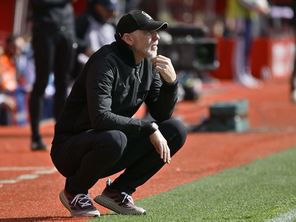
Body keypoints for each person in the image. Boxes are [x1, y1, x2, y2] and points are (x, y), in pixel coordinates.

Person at [50, 10, 187, 217]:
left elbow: (161, 114)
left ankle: (118, 191)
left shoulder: (148, 63)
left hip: (110, 142)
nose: (157, 37)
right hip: (71, 149)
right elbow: (100, 117)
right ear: (128, 38)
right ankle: (74, 191)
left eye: (156, 32)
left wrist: (171, 84)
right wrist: (147, 127)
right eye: (149, 32)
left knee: (175, 130)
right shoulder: (104, 62)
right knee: (116, 138)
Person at [29, 0, 76, 150]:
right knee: (41, 81)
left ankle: (62, 134)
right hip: (45, 28)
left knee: (63, 83)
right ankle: (36, 136)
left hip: (67, 28)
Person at [226, 0, 270, 88]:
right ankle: (240, 75)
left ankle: (246, 73)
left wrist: (263, 5)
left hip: (249, 15)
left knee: (247, 47)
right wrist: (256, 6)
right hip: (239, 16)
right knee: (241, 47)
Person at [72, 0, 118, 79]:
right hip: (85, 67)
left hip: (109, 68)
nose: (112, 13)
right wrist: (84, 48)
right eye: (108, 10)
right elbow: (72, 39)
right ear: (98, 7)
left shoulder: (113, 25)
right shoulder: (85, 21)